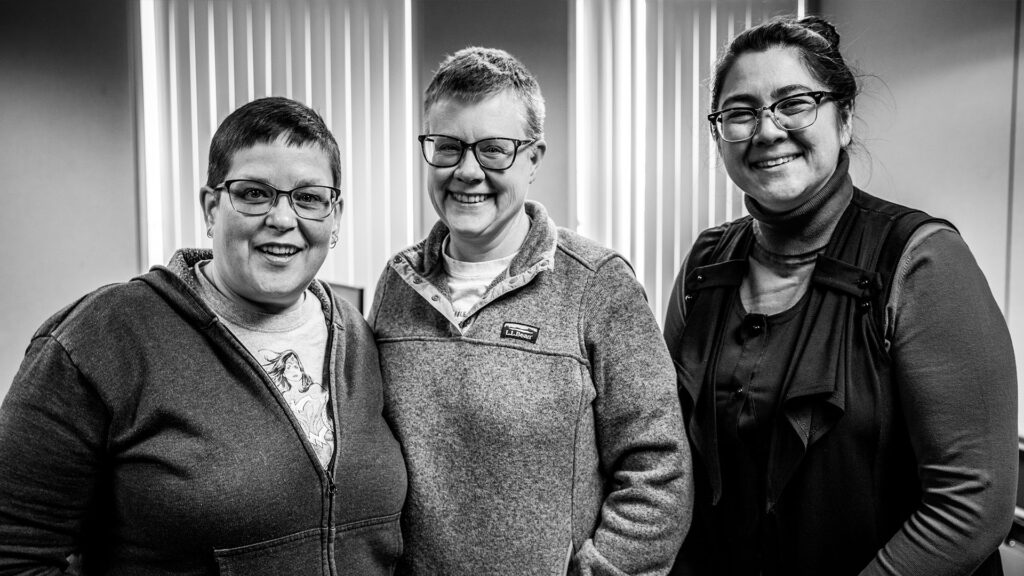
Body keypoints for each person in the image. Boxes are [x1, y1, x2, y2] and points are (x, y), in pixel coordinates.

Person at [663, 15, 1018, 576]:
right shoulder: (706, 266)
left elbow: (973, 505)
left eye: (794, 103)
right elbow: (670, 457)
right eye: (740, 112)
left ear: (844, 118)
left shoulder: (921, 259)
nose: (767, 130)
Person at [0, 97, 407, 575]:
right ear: (211, 207)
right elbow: (14, 554)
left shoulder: (357, 335)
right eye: (254, 193)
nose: (282, 218)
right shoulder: (101, 339)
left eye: (309, 197)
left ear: (334, 215)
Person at [369, 47, 693, 575]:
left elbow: (659, 469)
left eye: (493, 150)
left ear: (533, 158)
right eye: (448, 147)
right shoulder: (397, 284)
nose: (467, 171)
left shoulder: (596, 284)